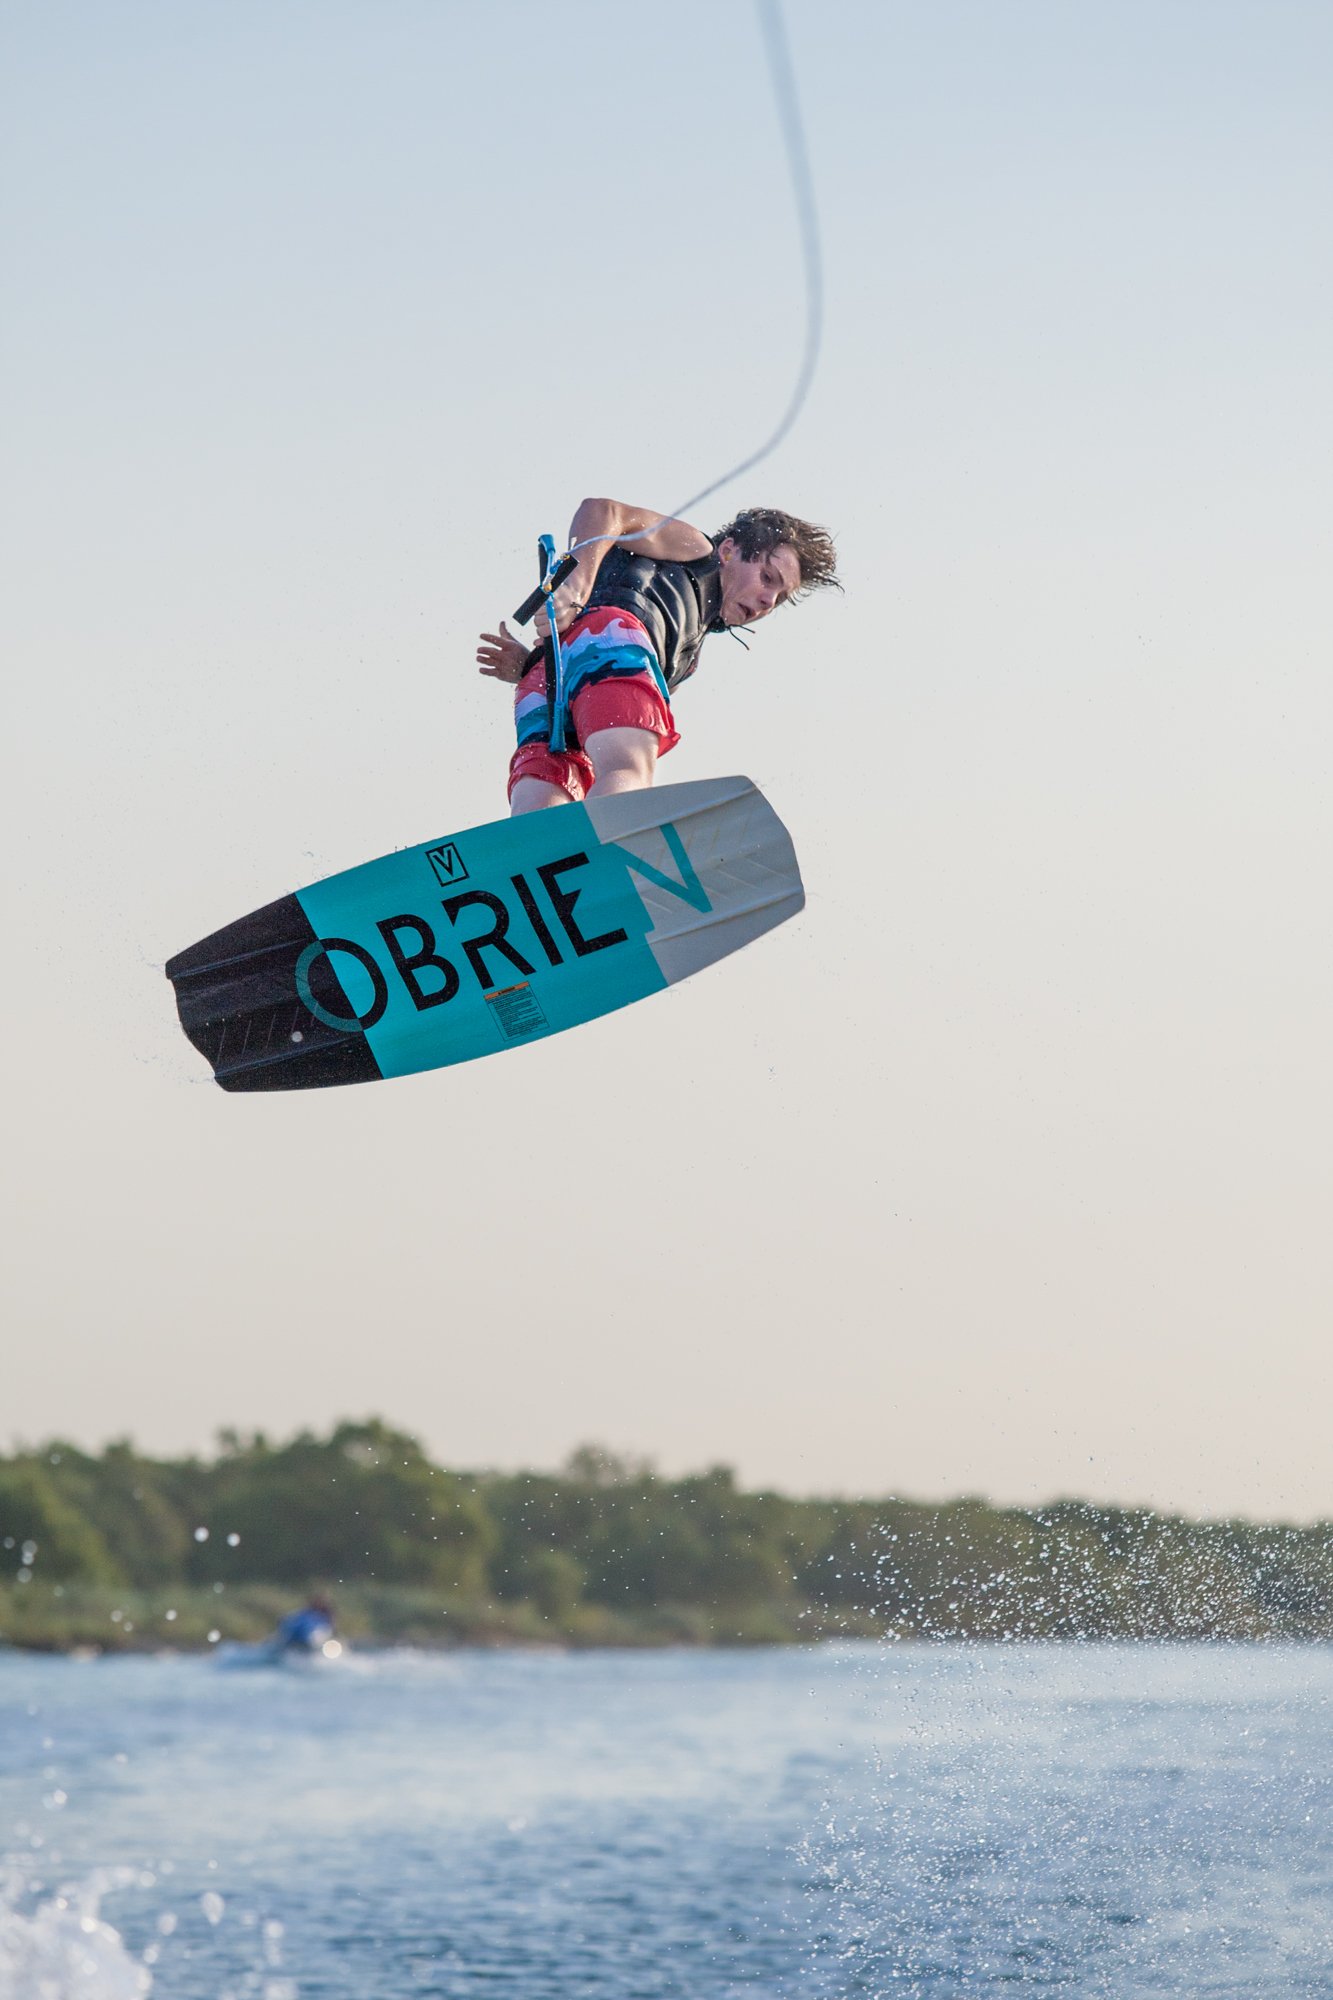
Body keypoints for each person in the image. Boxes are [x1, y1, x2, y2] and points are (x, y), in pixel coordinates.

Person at [477, 499, 839, 813]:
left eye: (779, 597)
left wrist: (528, 667)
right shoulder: (698, 550)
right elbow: (603, 511)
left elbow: (592, 696)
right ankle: (605, 861)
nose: (767, 601)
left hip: (547, 670)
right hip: (613, 636)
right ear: (729, 550)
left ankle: (536, 866)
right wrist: (575, 585)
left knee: (548, 791)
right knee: (627, 769)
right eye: (767, 577)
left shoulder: (686, 656)